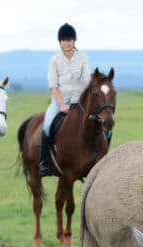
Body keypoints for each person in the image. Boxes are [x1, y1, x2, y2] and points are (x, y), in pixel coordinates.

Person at [39, 23, 91, 177]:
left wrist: (85, 98)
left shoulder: (83, 58)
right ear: (59, 42)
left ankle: (99, 158)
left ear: (74, 41)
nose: (67, 42)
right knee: (47, 125)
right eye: (63, 39)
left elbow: (87, 80)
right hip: (59, 102)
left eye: (69, 39)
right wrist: (61, 105)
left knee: (97, 122)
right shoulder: (54, 60)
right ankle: (45, 163)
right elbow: (53, 86)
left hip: (78, 101)